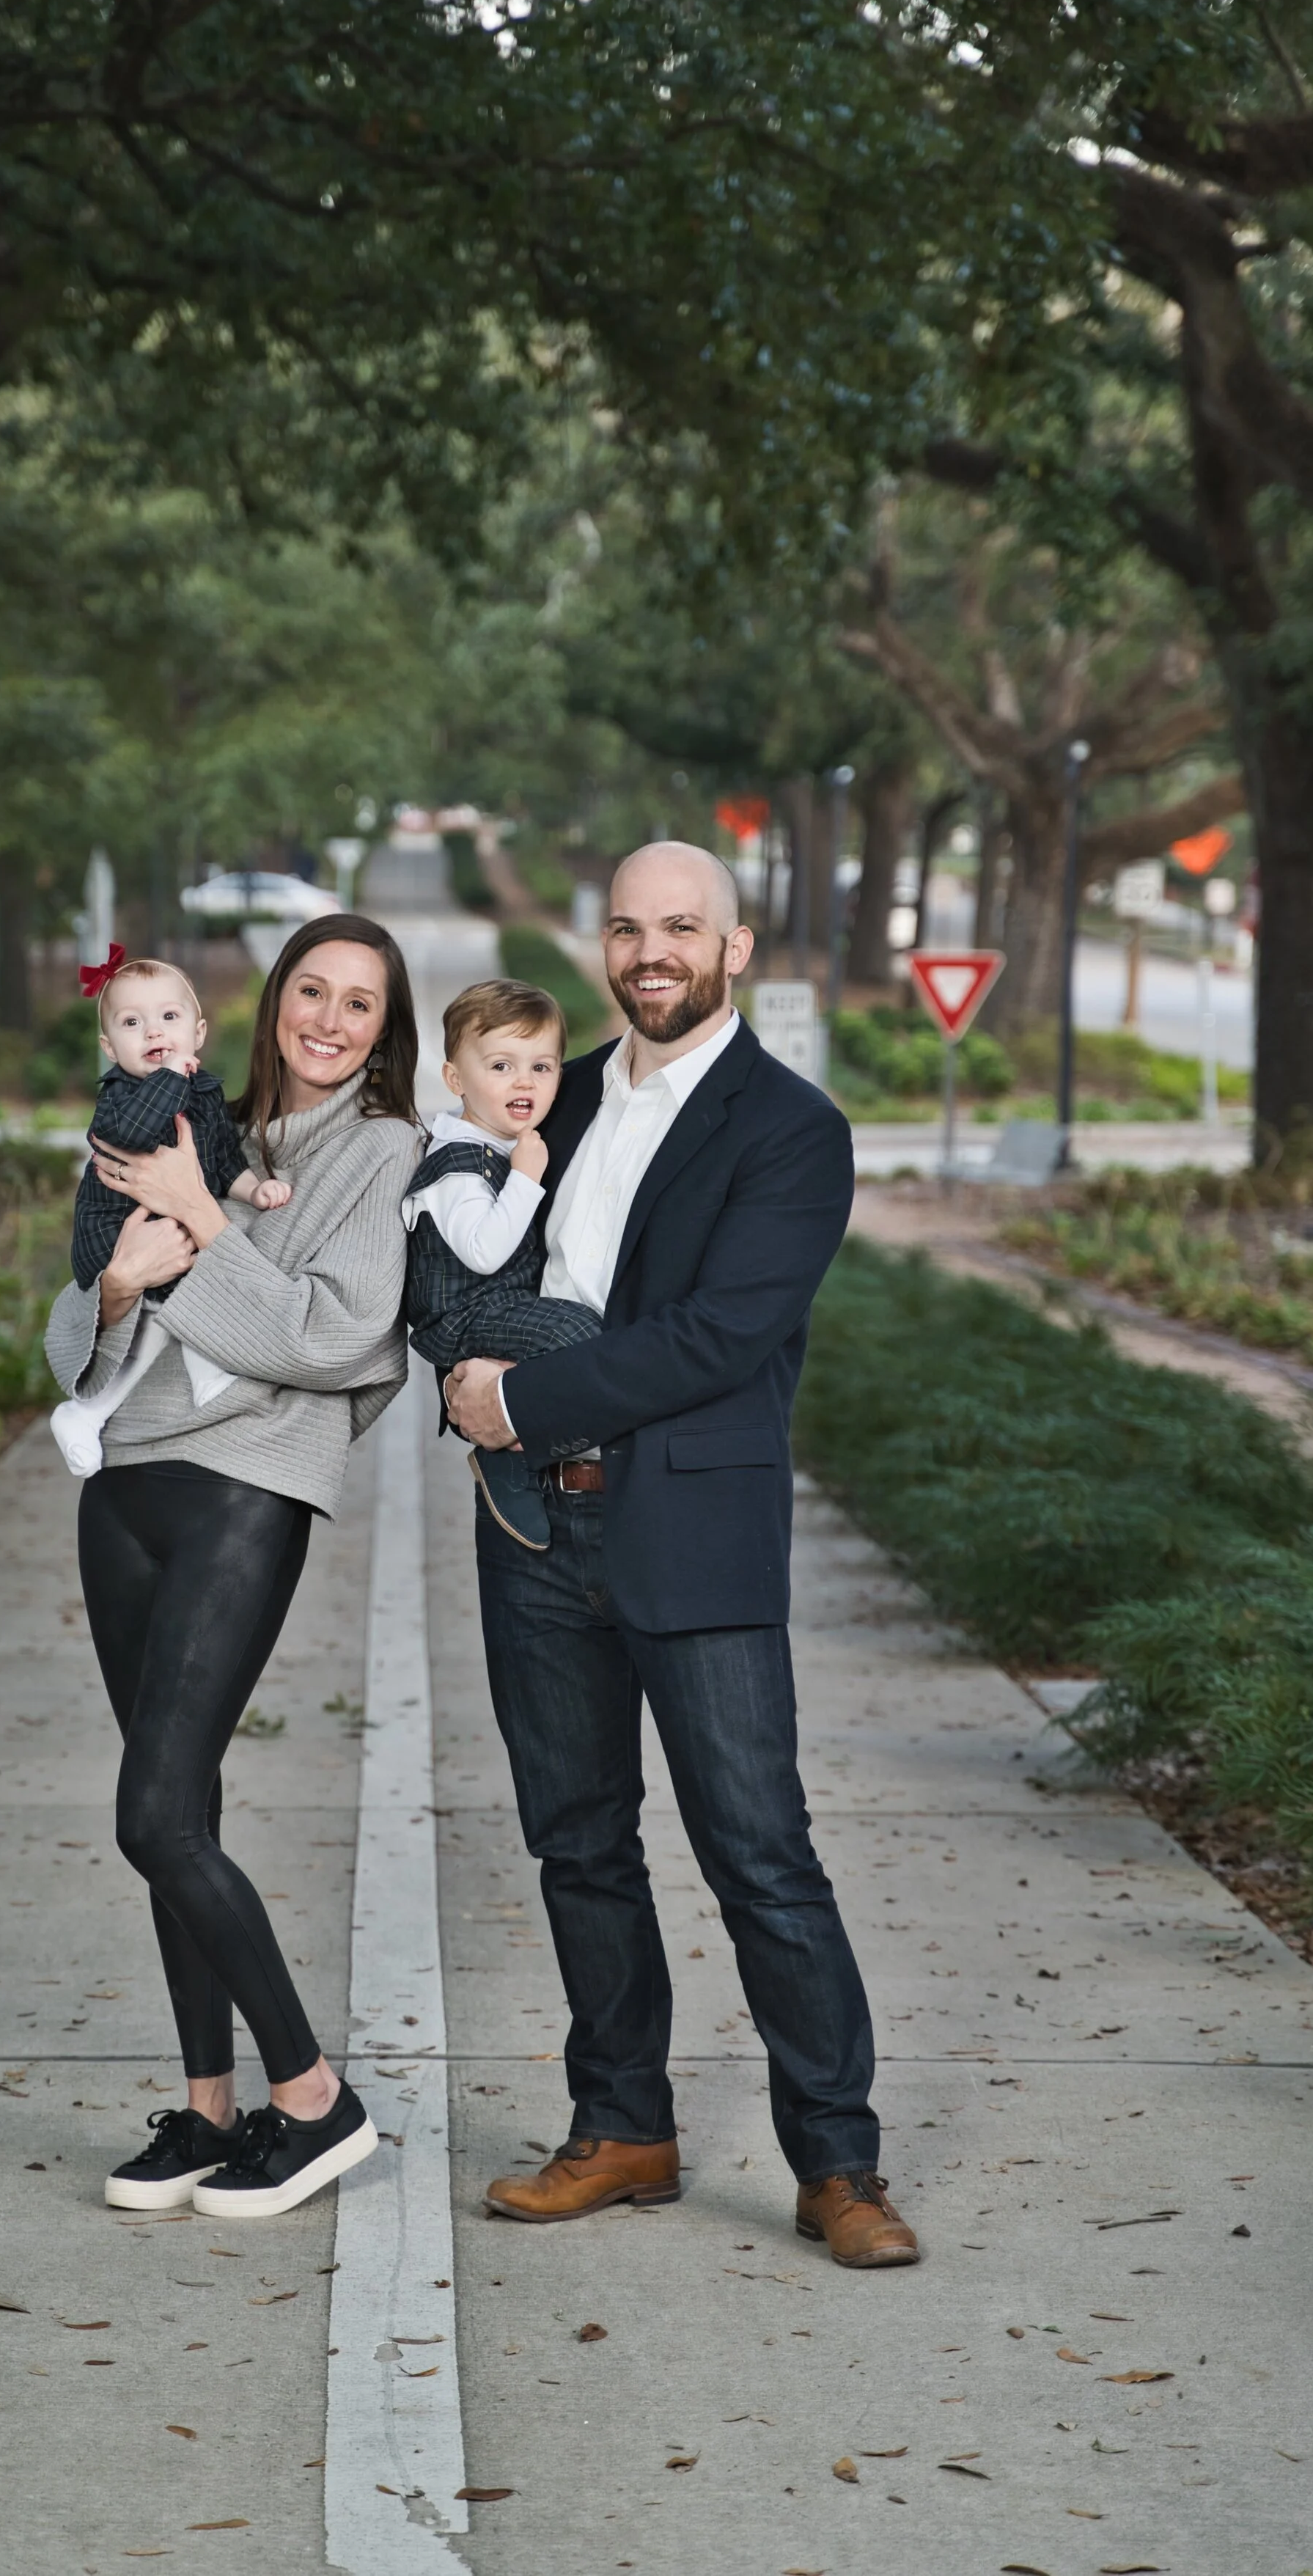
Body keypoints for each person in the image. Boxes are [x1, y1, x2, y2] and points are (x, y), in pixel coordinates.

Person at [444, 842, 919, 2268]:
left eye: (680, 928)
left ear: (736, 945)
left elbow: (719, 1336)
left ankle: (836, 2162)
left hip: (687, 1528)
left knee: (759, 1854)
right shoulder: (559, 1089)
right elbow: (463, 1251)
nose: (650, 950)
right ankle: (622, 2125)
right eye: (627, 927)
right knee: (577, 1841)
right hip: (528, 1525)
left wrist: (517, 1393)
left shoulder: (790, 1128)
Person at [45, 914, 422, 2220]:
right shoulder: (179, 1108)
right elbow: (73, 1314)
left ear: (385, 1029)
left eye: (358, 1003)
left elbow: (336, 1335)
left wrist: (197, 1226)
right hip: (126, 1489)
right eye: (308, 990)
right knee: (180, 1817)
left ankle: (315, 2097)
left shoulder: (386, 1152)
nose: (327, 1017)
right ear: (264, 1008)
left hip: (249, 1485)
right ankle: (207, 2109)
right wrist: (109, 1292)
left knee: (149, 1812)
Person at [51, 951, 291, 1477]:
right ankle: (92, 1409)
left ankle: (108, 1408)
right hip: (117, 1235)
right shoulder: (122, 1094)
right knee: (163, 1313)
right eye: (133, 1023)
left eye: (169, 1017)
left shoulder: (203, 1093)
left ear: (198, 1031)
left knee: (179, 1307)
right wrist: (171, 1077)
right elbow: (133, 1135)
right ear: (111, 1048)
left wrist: (255, 1190)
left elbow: (223, 1160)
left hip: (168, 1238)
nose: (153, 1031)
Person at [401, 975, 600, 1549]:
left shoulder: (504, 1143)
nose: (524, 1081)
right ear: (455, 1079)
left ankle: (516, 1444)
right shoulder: (458, 1164)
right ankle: (509, 1455)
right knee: (579, 1333)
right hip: (463, 1316)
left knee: (581, 1334)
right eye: (502, 1066)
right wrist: (527, 1177)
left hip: (496, 1307)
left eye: (542, 1067)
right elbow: (483, 1252)